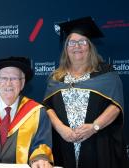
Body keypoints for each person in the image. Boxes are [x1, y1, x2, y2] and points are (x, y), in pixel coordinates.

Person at [43, 16, 129, 168]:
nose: (77, 46)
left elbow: (116, 105)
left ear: (90, 46)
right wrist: (61, 128)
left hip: (98, 141)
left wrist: (94, 127)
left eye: (82, 42)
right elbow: (47, 107)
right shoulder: (56, 77)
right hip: (63, 142)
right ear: (66, 47)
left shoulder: (106, 73)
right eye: (72, 42)